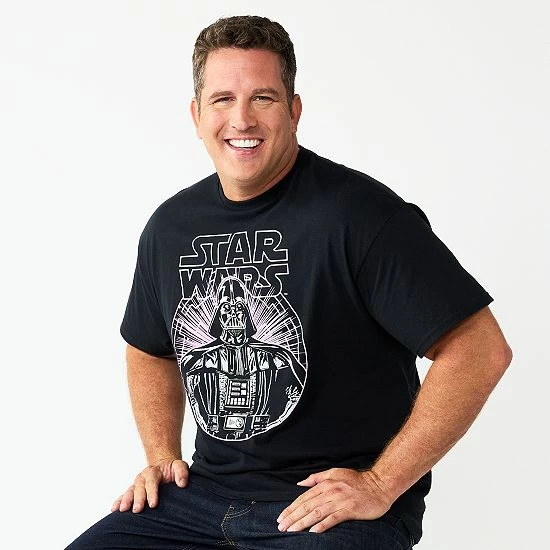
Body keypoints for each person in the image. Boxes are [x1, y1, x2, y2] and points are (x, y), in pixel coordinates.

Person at [66, 14, 512, 550]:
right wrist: (162, 457)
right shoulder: (171, 227)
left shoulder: (360, 215)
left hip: (324, 509)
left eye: (264, 98)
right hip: (200, 500)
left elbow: (479, 349)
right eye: (223, 99)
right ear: (197, 114)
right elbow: (148, 346)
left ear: (294, 111)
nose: (242, 119)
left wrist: (380, 484)